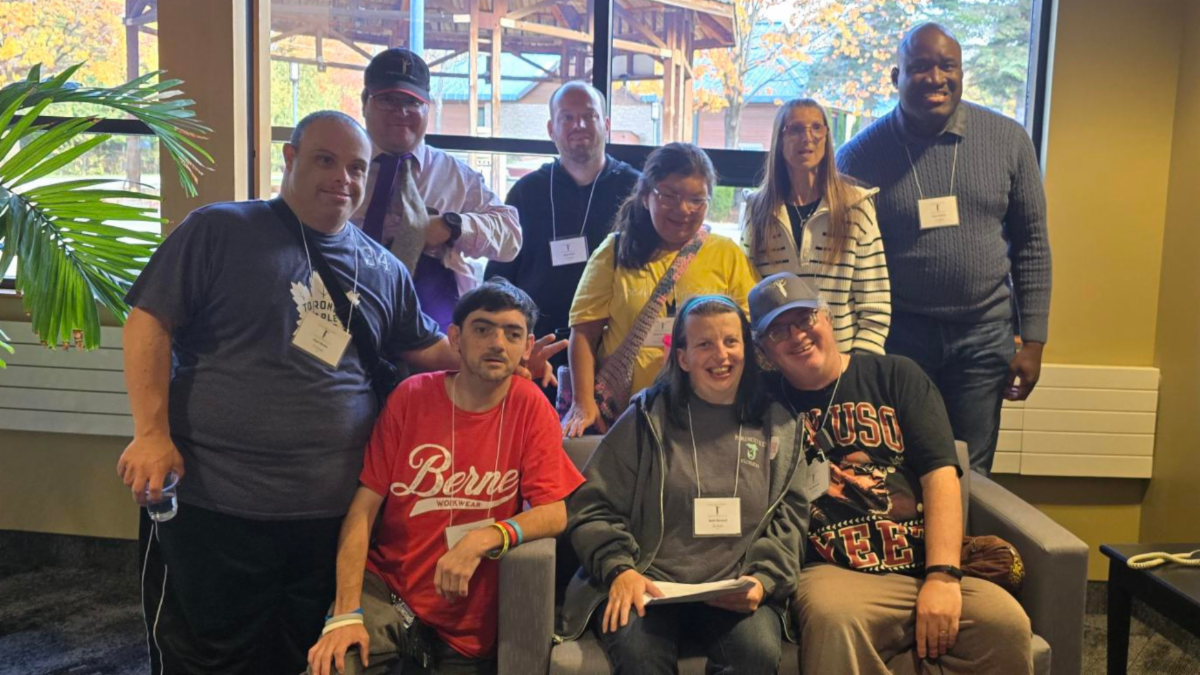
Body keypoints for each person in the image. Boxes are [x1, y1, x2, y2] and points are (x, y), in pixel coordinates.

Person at [116, 111, 459, 675]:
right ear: (291, 158)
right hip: (215, 507)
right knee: (206, 658)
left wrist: (504, 360)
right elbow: (148, 321)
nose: (343, 178)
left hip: (328, 518)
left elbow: (429, 351)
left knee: (303, 657)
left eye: (357, 168)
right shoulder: (219, 230)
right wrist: (151, 434)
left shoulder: (383, 267)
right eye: (326, 160)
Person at [751, 272, 1033, 675]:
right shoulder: (762, 400)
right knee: (834, 620)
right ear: (763, 349)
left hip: (919, 563)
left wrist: (942, 576)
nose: (797, 335)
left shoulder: (896, 375)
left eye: (805, 318)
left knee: (1005, 622)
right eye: (778, 331)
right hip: (832, 574)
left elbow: (940, 475)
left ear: (827, 318)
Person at [306, 279, 585, 675]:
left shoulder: (530, 407)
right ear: (455, 337)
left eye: (512, 333)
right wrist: (346, 612)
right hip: (389, 592)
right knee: (334, 666)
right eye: (482, 329)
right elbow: (364, 509)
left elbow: (555, 512)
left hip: (468, 622)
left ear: (527, 346)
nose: (497, 343)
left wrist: (483, 539)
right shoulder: (411, 397)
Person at [836, 23, 1051, 474]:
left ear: (961, 72)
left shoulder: (1009, 140)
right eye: (920, 67)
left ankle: (964, 527)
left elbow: (1032, 244)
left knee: (970, 471)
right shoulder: (859, 157)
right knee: (897, 467)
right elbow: (845, 262)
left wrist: (1033, 340)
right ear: (895, 76)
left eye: (947, 66)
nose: (936, 78)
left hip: (983, 337)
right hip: (898, 338)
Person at [560, 295, 809, 674]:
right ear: (683, 358)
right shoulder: (647, 417)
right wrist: (619, 568)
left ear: (746, 349)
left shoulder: (779, 426)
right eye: (704, 344)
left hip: (735, 587)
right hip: (648, 581)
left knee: (756, 652)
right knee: (640, 658)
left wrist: (763, 579)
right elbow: (591, 505)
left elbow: (790, 520)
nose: (721, 355)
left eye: (731, 341)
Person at [562, 142, 758, 437]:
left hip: (707, 416)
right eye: (669, 196)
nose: (683, 209)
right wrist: (583, 403)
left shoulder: (727, 254)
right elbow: (583, 334)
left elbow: (749, 334)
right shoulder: (614, 252)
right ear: (645, 195)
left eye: (696, 200)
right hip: (626, 418)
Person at [485, 82, 640, 402]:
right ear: (551, 129)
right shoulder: (526, 192)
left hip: (616, 352)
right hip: (537, 353)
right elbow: (499, 280)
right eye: (567, 117)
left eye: (589, 116)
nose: (578, 125)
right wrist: (512, 343)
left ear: (606, 125)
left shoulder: (636, 190)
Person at [354, 47, 522, 331]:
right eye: (388, 100)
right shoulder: (341, 166)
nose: (401, 111)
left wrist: (452, 227)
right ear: (364, 103)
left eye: (412, 102)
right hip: (346, 316)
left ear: (427, 108)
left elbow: (511, 237)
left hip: (436, 328)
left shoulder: (455, 175)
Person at [742, 97, 891, 354]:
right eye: (796, 129)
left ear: (827, 136)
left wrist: (857, 369)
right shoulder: (757, 209)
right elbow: (749, 297)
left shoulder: (856, 206)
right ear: (780, 139)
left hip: (841, 361)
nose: (807, 137)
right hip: (779, 360)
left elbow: (875, 307)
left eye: (816, 128)